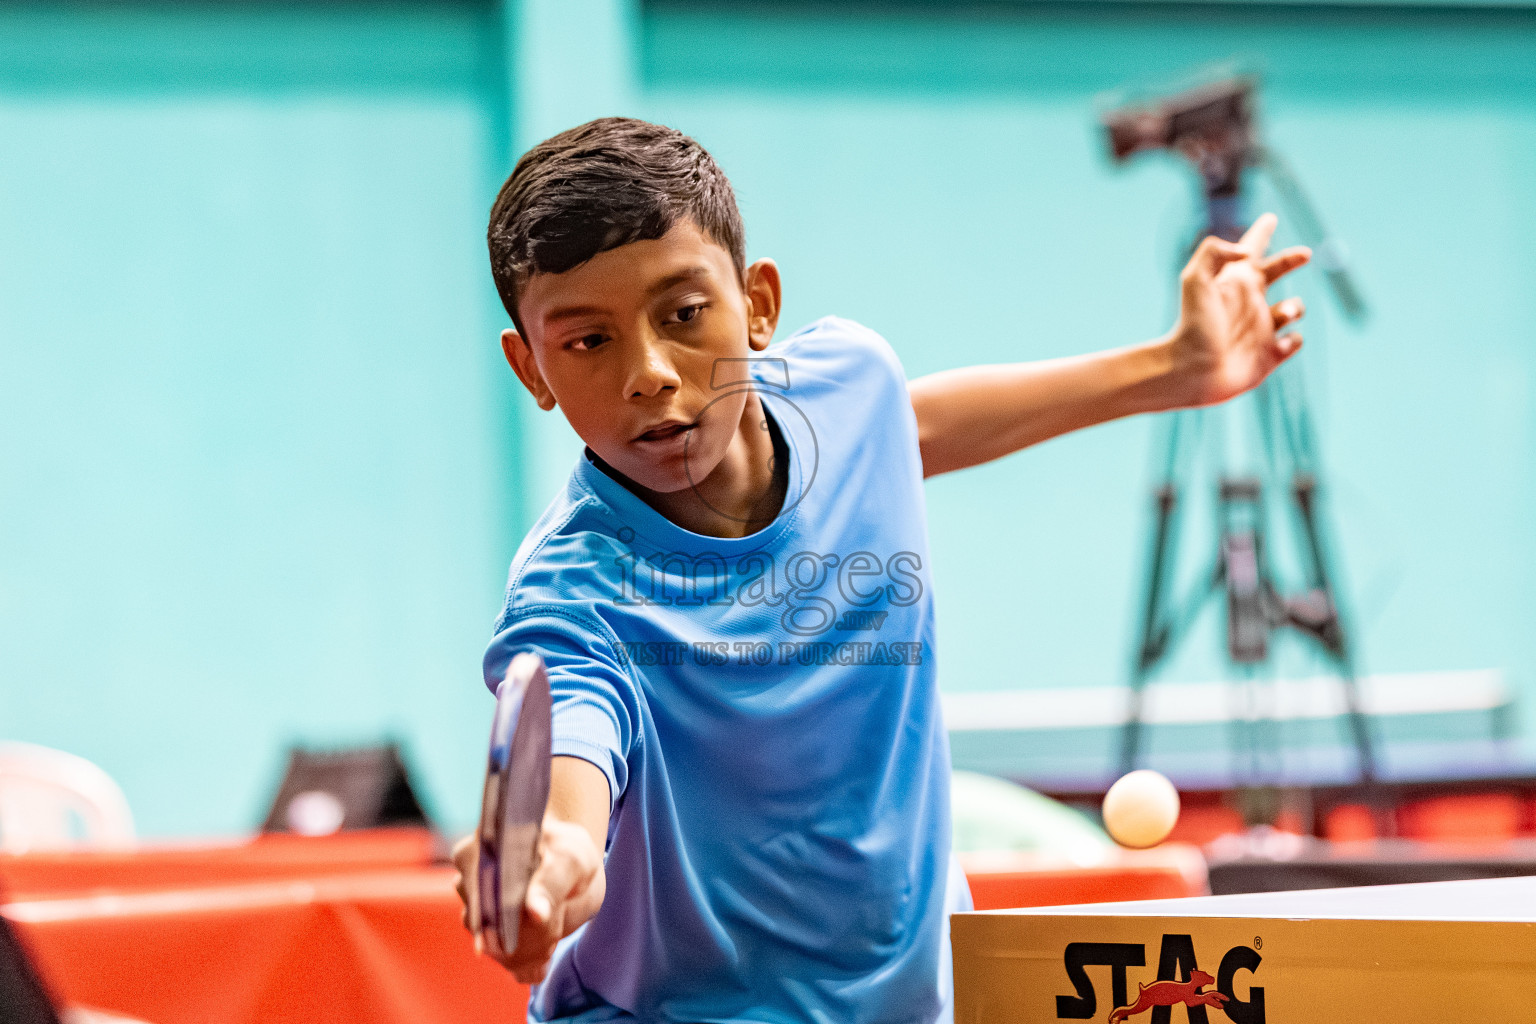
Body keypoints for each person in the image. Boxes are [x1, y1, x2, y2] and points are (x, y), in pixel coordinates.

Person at [453, 116, 1309, 1024]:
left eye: (684, 314)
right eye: (588, 341)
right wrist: (556, 856)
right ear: (531, 368)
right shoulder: (572, 594)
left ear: (758, 304)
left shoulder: (851, 387)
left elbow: (912, 421)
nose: (651, 372)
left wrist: (1175, 367)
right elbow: (572, 755)